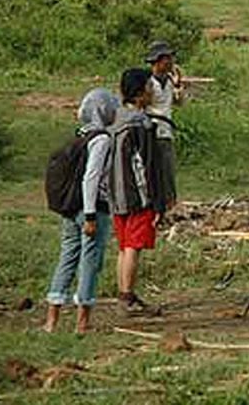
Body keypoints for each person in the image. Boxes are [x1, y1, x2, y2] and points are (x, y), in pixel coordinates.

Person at [44, 88, 118, 333]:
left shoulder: (79, 136)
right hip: (92, 209)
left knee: (66, 258)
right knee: (90, 262)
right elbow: (91, 178)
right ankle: (82, 322)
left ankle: (51, 321)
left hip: (70, 209)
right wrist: (89, 215)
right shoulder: (102, 139)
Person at [110, 68, 167, 315]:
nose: (152, 89)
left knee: (123, 247)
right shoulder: (142, 124)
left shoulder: (115, 120)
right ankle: (127, 297)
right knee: (134, 245)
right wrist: (157, 200)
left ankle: (124, 295)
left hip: (115, 193)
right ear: (141, 92)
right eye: (149, 86)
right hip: (137, 195)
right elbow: (148, 165)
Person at [145, 41, 183, 210]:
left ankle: (170, 202)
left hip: (166, 131)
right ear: (157, 61)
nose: (171, 62)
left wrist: (178, 85)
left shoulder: (169, 81)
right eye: (167, 59)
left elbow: (179, 103)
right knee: (154, 169)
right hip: (151, 130)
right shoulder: (148, 83)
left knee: (167, 169)